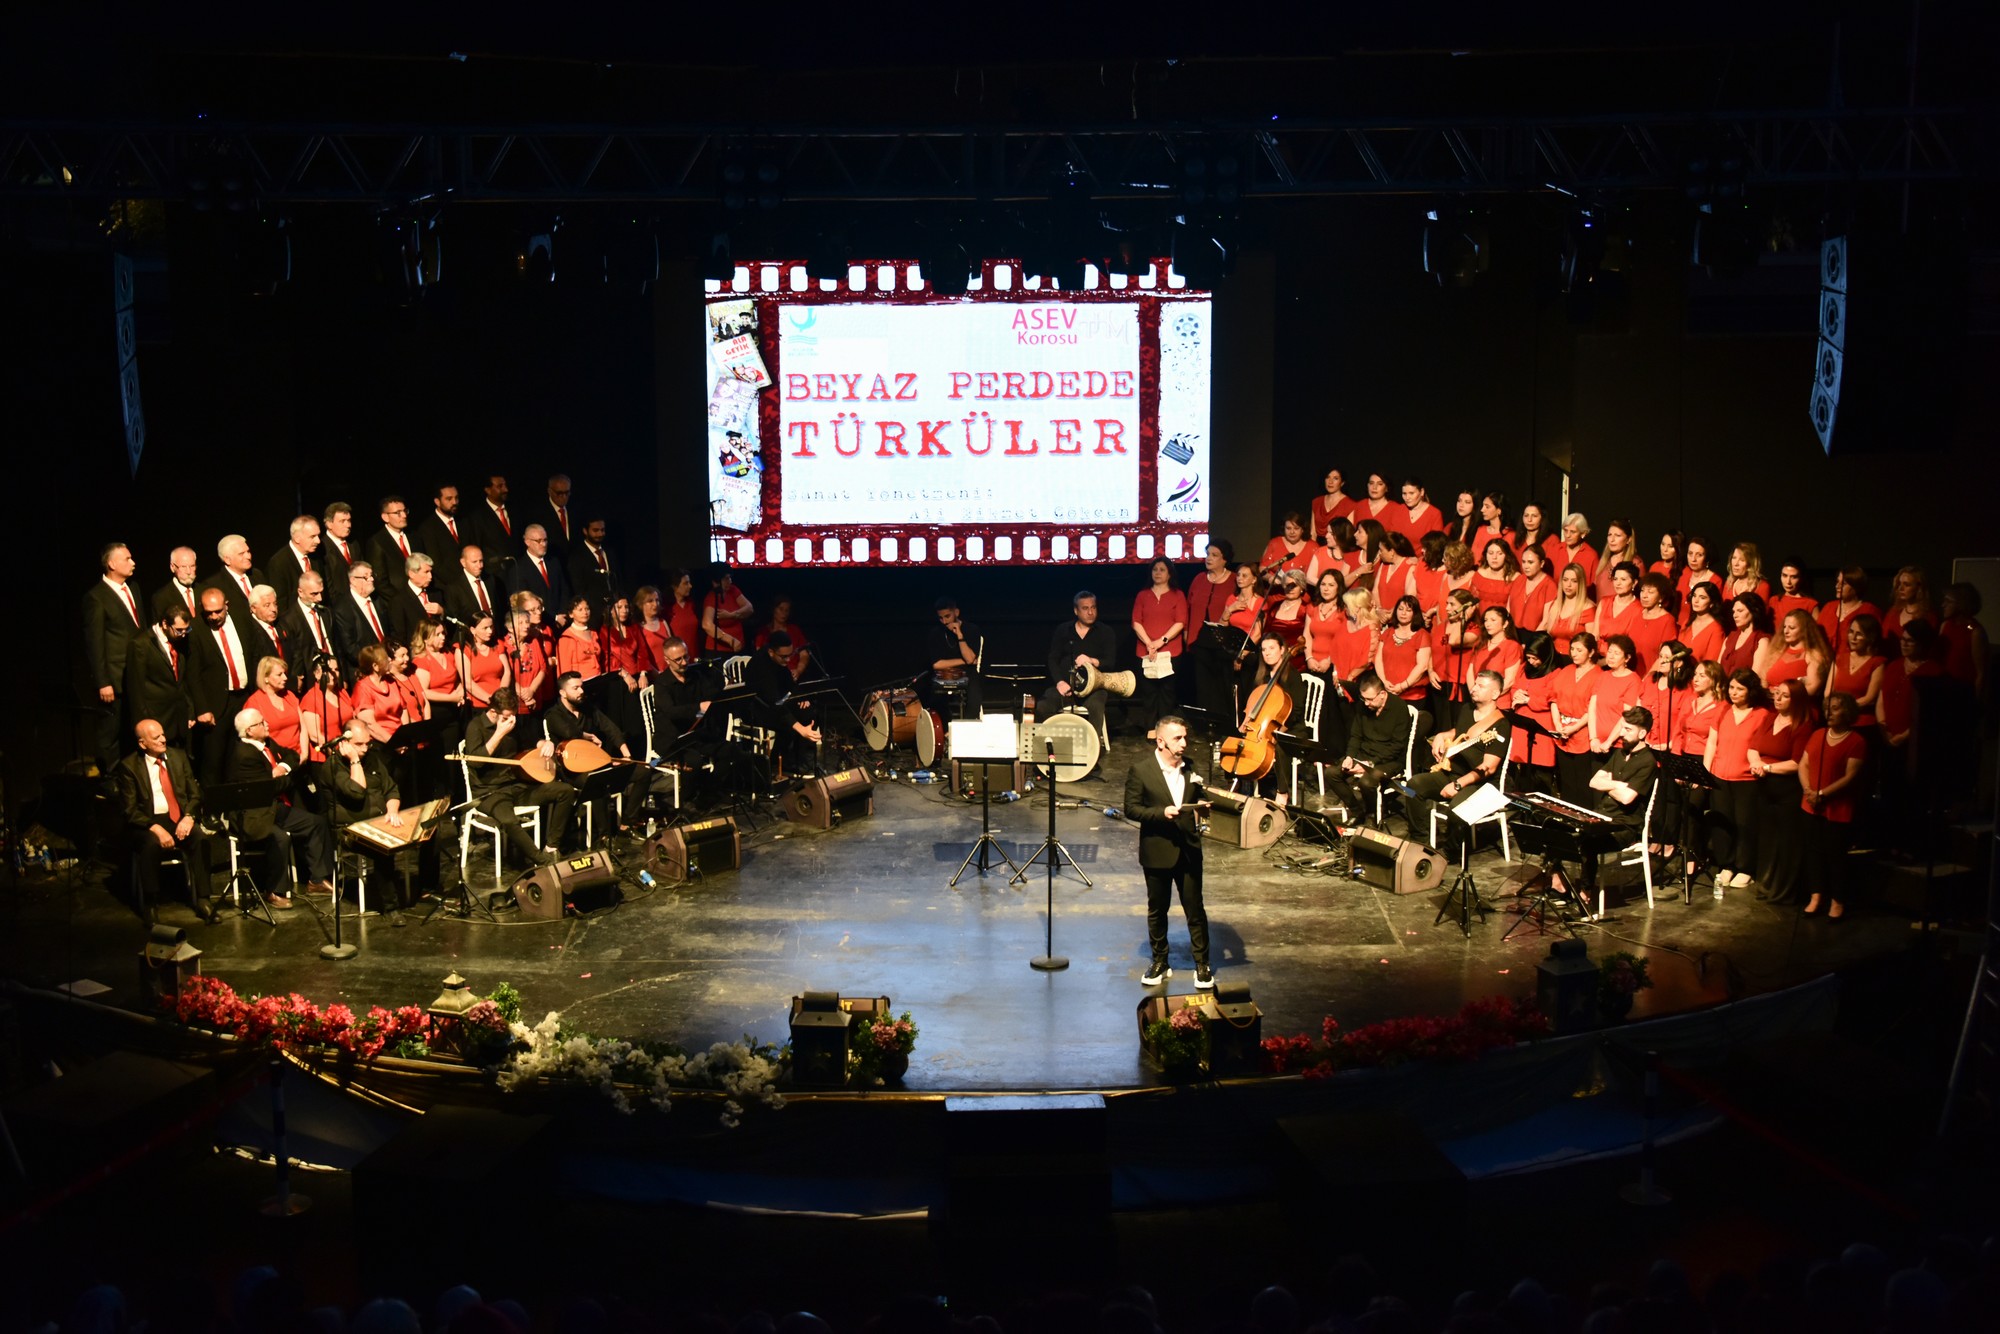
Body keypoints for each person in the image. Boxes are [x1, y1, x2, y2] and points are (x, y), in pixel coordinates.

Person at [1123, 714, 1213, 989]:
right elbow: (1131, 808)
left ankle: (1202, 964)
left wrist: (1203, 808)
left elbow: (1197, 799)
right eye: (1177, 738)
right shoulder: (1141, 770)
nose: (1184, 743)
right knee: (1157, 909)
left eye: (1185, 737)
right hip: (1157, 850)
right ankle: (1160, 960)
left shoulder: (1191, 768)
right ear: (1161, 741)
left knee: (1194, 909)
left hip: (1188, 849)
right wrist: (1161, 813)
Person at [226, 707, 334, 909]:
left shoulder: (265, 743)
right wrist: (287, 777)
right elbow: (269, 788)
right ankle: (273, 891)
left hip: (274, 807)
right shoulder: (245, 755)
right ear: (249, 730)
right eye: (261, 722)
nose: (266, 724)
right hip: (254, 814)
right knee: (279, 837)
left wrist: (282, 769)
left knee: (317, 822)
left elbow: (291, 755)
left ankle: (317, 879)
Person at [115, 719, 219, 924]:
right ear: (142, 743)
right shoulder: (129, 766)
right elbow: (129, 809)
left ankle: (204, 900)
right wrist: (155, 828)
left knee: (200, 838)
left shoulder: (178, 757)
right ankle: (150, 903)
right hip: (148, 821)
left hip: (178, 817)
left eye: (163, 734)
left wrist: (189, 817)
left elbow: (195, 795)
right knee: (150, 844)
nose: (163, 739)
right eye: (156, 737)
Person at [461, 687, 573, 869]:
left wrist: (546, 743)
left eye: (513, 716)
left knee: (565, 791)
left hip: (516, 785)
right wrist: (499, 733)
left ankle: (551, 847)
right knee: (508, 821)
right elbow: (475, 763)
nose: (511, 721)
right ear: (493, 712)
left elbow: (531, 741)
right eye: (505, 717)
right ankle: (543, 862)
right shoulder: (476, 727)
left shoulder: (513, 722)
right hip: (489, 792)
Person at [318, 720, 416, 918]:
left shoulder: (373, 758)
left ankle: (421, 889)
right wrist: (354, 760)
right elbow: (356, 792)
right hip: (348, 829)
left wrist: (392, 810)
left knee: (423, 831)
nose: (365, 748)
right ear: (344, 742)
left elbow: (391, 789)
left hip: (380, 820)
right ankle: (391, 907)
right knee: (382, 847)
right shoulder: (333, 766)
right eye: (359, 744)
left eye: (367, 743)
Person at [1401, 669, 1512, 843]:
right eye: (1475, 684)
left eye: (1480, 686)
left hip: (1478, 783)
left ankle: (1450, 851)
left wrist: (1458, 784)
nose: (1473, 688)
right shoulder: (1467, 709)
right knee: (1411, 786)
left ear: (1495, 693)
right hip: (1453, 772)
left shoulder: (1501, 725)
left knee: (1456, 809)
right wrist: (1443, 735)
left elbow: (1488, 768)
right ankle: (1420, 840)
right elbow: (1461, 733)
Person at [544, 671, 651, 835]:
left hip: (597, 763)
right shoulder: (553, 715)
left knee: (643, 772)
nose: (581, 691)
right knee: (597, 781)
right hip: (572, 771)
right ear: (563, 693)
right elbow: (569, 732)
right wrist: (587, 736)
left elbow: (610, 728)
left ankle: (627, 823)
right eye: (576, 688)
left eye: (581, 687)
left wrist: (626, 755)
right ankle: (604, 835)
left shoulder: (587, 707)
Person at [1703, 668, 1773, 897]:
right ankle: (1726, 864)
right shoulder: (1723, 710)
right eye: (1731, 687)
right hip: (1720, 775)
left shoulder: (1761, 714)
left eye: (1739, 689)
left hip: (1746, 779)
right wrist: (1706, 772)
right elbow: (1712, 742)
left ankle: (1745, 868)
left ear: (1750, 691)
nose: (1733, 692)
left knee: (1745, 825)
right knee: (1722, 823)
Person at [1800, 692, 1869, 920]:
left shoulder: (1856, 741)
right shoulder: (1818, 734)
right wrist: (1809, 791)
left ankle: (1837, 900)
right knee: (1813, 852)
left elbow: (1851, 776)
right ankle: (1816, 896)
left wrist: (1822, 794)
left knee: (1835, 855)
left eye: (1836, 708)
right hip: (1811, 804)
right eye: (1827, 708)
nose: (1829, 713)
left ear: (1847, 712)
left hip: (1837, 806)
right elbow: (1804, 764)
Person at [1746, 677, 1811, 904]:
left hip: (1787, 790)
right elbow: (1753, 747)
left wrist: (1767, 767)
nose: (1778, 698)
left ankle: (1783, 891)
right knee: (1767, 838)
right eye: (1777, 693)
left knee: (1786, 841)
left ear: (1797, 699)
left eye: (1785, 695)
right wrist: (1755, 764)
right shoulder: (1770, 718)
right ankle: (1765, 884)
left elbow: (1797, 762)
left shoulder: (1802, 725)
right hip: (1764, 787)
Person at [82, 541, 146, 763]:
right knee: (111, 731)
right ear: (111, 564)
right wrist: (103, 681)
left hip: (137, 674)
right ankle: (110, 778)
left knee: (134, 727)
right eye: (127, 559)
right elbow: (95, 643)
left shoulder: (133, 588)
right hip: (115, 677)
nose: (133, 563)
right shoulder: (97, 597)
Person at [1327, 672, 1414, 821]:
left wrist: (1371, 763)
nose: (1366, 703)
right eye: (1363, 699)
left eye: (1369, 699)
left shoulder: (1399, 708)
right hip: (1365, 754)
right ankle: (1356, 810)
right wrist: (1350, 756)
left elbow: (1397, 746)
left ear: (1382, 694)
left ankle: (1372, 812)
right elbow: (1356, 736)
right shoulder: (1363, 706)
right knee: (1332, 773)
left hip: (1389, 760)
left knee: (1366, 782)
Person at [1039, 590, 1119, 749]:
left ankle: (1092, 753)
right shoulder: (1064, 630)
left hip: (1093, 689)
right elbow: (1053, 659)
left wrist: (1092, 661)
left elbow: (1110, 662)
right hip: (1066, 688)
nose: (1090, 612)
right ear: (1076, 611)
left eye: (1093, 607)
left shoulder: (1105, 632)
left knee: (1096, 707)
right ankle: (1053, 748)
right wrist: (1060, 682)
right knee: (1043, 707)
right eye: (1085, 608)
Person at [746, 631, 822, 775]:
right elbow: (773, 703)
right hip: (758, 708)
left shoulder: (778, 660)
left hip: (777, 703)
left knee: (809, 711)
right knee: (788, 721)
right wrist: (800, 728)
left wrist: (801, 697)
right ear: (771, 652)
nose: (788, 660)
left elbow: (789, 684)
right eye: (784, 656)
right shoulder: (761, 666)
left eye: (790, 655)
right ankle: (784, 761)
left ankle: (802, 761)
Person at [123, 606, 197, 750]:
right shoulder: (141, 644)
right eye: (179, 630)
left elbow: (181, 681)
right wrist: (144, 724)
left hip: (178, 719)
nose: (183, 634)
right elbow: (135, 689)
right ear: (164, 624)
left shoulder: (180, 642)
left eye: (186, 630)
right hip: (156, 717)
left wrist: (189, 710)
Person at [1131, 559, 1188, 726]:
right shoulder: (1143, 595)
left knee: (1167, 692)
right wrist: (1150, 643)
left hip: (1170, 651)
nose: (1157, 572)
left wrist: (1160, 642)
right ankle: (1150, 727)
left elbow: (1180, 622)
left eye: (1162, 569)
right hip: (1146, 651)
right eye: (1155, 569)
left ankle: (1164, 727)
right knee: (1149, 692)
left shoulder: (1178, 595)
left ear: (1169, 574)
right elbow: (1136, 621)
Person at [923, 597, 985, 718]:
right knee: (935, 694)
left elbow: (970, 658)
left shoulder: (972, 629)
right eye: (941, 618)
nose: (944, 621)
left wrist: (960, 635)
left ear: (956, 613)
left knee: (974, 692)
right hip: (944, 673)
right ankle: (944, 729)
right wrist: (964, 661)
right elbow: (937, 664)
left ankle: (967, 727)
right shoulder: (936, 633)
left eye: (947, 616)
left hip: (967, 672)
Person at [1374, 594, 1432, 707]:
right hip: (1387, 692)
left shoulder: (1422, 635)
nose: (1403, 613)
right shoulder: (1388, 633)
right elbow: (1378, 659)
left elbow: (1422, 666)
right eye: (1400, 609)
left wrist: (1403, 686)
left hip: (1412, 695)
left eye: (1408, 610)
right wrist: (1384, 681)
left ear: (1414, 613)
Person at [331, 562, 390, 672]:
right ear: (353, 580)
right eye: (366, 576)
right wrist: (378, 661)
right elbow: (350, 649)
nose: (372, 579)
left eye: (372, 575)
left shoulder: (377, 600)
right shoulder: (342, 609)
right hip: (366, 669)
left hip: (389, 664)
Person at [1764, 608, 1832, 704]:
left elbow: (1812, 688)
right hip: (1771, 704)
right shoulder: (1778, 651)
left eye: (1791, 628)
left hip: (1795, 708)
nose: (1786, 631)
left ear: (1804, 630)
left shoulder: (1813, 655)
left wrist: (1783, 695)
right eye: (1784, 627)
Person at [507, 524, 570, 625]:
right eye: (539, 541)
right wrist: (554, 618)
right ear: (527, 542)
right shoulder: (518, 569)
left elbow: (564, 590)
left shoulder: (553, 561)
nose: (544, 544)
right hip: (538, 624)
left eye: (545, 540)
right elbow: (522, 603)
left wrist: (562, 614)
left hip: (562, 621)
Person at [1937, 581, 1988, 693]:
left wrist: (1976, 699)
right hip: (1943, 687)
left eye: (1948, 601)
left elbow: (1981, 673)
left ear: (1961, 604)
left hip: (1963, 691)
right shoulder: (1945, 625)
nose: (1943, 605)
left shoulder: (1975, 632)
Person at [1814, 567, 1881, 652]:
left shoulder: (1869, 611)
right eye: (1837, 582)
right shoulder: (1829, 607)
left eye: (1844, 583)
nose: (1837, 586)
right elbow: (1816, 637)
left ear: (1856, 587)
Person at [567, 517, 620, 619]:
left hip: (612, 613)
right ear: (585, 531)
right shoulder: (577, 556)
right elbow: (578, 588)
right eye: (595, 530)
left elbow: (617, 581)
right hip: (592, 614)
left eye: (602, 530)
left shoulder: (609, 552)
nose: (600, 534)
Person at [1464, 606, 1523, 694]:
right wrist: (1474, 693)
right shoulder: (1480, 644)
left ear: (1505, 623)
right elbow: (1470, 673)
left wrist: (1488, 697)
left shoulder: (1512, 646)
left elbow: (1509, 680)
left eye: (1493, 620)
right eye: (1486, 620)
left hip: (1498, 701)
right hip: (1477, 698)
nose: (1488, 624)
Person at [442, 544, 501, 631]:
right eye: (474, 562)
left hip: (495, 633)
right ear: (463, 562)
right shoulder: (454, 588)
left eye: (481, 561)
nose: (480, 566)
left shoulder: (490, 580)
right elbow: (455, 618)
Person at [1543, 561, 1595, 659]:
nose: (1568, 585)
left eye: (1574, 581)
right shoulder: (1555, 605)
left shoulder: (1588, 609)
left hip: (1574, 660)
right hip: (1553, 658)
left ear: (1580, 583)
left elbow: (1590, 644)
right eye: (1565, 580)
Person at [460, 610, 510, 711]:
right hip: (478, 705)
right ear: (473, 630)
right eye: (485, 628)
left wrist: (500, 697)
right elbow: (467, 682)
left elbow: (507, 672)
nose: (490, 631)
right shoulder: (464, 649)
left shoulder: (497, 644)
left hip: (501, 702)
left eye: (491, 627)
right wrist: (489, 698)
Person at [701, 563, 754, 657]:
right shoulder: (712, 597)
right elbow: (706, 625)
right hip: (720, 651)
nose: (730, 581)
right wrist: (730, 640)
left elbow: (749, 608)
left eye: (730, 578)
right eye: (726, 578)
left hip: (738, 648)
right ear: (716, 581)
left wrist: (731, 615)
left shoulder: (733, 590)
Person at [268, 515, 320, 610]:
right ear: (297, 538)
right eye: (312, 536)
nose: (318, 541)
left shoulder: (316, 557)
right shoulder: (279, 562)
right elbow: (281, 602)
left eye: (318, 536)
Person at [1259, 512, 1325, 587]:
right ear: (1283, 528)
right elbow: (1262, 569)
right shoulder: (1274, 543)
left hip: (1303, 594)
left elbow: (1320, 574)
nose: (1292, 532)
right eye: (1288, 528)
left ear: (1302, 529)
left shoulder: (1313, 547)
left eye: (1296, 528)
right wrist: (1270, 578)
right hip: (1277, 593)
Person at [1718, 592, 1774, 679]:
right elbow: (1718, 668)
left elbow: (1755, 677)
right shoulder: (1730, 636)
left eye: (1740, 611)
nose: (1735, 615)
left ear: (1754, 611)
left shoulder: (1761, 640)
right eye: (1734, 612)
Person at [754, 596, 812, 680]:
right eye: (781, 609)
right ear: (773, 609)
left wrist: (798, 671)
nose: (784, 613)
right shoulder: (763, 633)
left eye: (787, 610)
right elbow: (759, 658)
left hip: (793, 675)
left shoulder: (794, 630)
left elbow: (804, 655)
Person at [413, 484, 467, 560]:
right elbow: (435, 562)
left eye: (456, 498)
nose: (454, 502)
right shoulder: (427, 528)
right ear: (437, 502)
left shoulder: (464, 521)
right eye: (449, 499)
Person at [1590, 520, 1639, 603]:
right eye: (1609, 535)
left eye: (1617, 535)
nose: (1612, 539)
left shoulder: (1635, 563)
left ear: (1628, 539)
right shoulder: (1603, 563)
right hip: (1601, 612)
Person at [1881, 565, 1934, 641]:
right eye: (1899, 584)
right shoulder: (1893, 613)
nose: (1901, 588)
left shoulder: (1928, 616)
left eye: (1906, 585)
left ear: (1918, 588)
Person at [151, 545, 202, 625]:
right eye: (183, 567)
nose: (188, 571)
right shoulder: (161, 597)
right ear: (172, 567)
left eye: (192, 566)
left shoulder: (203, 590)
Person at [1680, 582, 1726, 664]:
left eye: (1702, 598)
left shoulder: (1716, 629)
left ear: (1711, 603)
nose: (1696, 601)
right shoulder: (1687, 622)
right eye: (1694, 596)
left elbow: (1711, 662)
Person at [1470, 538, 1518, 614]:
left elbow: (1516, 608)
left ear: (1506, 556)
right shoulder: (1480, 574)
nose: (1494, 557)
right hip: (1481, 621)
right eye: (1491, 553)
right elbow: (1472, 602)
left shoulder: (1515, 578)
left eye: (1499, 553)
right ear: (1486, 555)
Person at [1550, 512, 1599, 586]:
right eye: (1566, 530)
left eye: (1572, 532)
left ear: (1583, 534)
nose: (1568, 535)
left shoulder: (1591, 555)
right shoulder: (1556, 550)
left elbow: (1594, 585)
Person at [1769, 560, 1818, 624]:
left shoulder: (1810, 604)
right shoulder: (1774, 600)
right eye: (1784, 575)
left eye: (1794, 577)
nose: (1788, 581)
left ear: (1801, 578)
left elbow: (1816, 632)